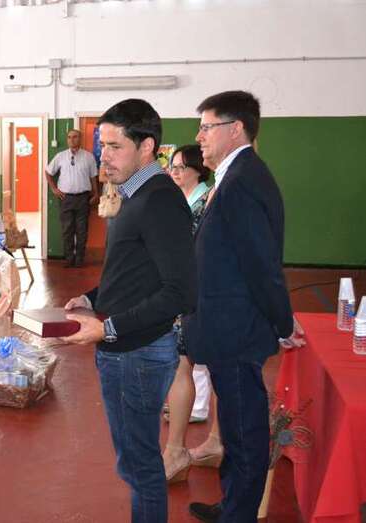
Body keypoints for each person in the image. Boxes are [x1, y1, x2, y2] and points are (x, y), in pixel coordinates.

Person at [62, 99, 196, 523]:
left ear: (147, 147)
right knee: (135, 462)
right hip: (125, 348)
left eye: (115, 146)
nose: (104, 156)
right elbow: (134, 271)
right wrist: (92, 299)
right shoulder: (134, 195)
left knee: (140, 467)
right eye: (102, 146)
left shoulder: (159, 200)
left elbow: (180, 292)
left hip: (137, 353)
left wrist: (107, 329)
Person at [184, 91, 305, 523]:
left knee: (244, 431)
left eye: (207, 127)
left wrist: (282, 322)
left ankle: (239, 514)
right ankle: (233, 503)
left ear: (235, 129)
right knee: (236, 427)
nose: (199, 136)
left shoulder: (243, 182)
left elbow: (261, 263)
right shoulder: (234, 176)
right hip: (224, 324)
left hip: (234, 329)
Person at [162, 144, 214, 483]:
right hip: (190, 291)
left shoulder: (205, 200)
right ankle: (209, 442)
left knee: (184, 364)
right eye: (173, 167)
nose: (175, 172)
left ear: (197, 169)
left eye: (181, 167)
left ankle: (175, 451)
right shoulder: (185, 199)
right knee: (194, 364)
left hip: (198, 293)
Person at [45, 129, 99, 267]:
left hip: (83, 198)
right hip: (65, 199)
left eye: (75, 137)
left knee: (82, 230)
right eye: (69, 137)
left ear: (80, 139)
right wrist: (54, 189)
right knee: (67, 230)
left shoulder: (88, 157)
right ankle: (69, 259)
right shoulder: (60, 156)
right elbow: (48, 172)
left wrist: (96, 193)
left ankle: (79, 260)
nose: (71, 140)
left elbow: (93, 176)